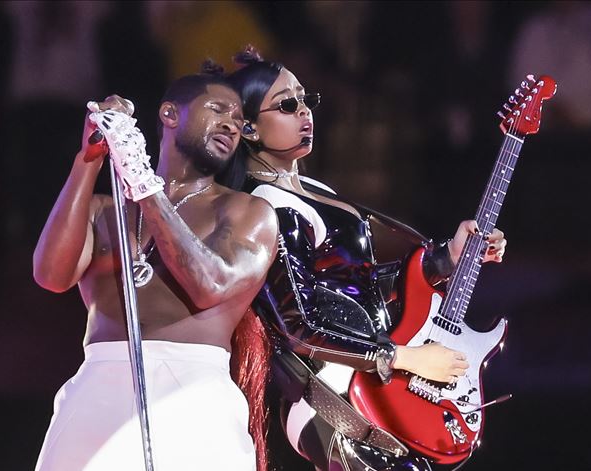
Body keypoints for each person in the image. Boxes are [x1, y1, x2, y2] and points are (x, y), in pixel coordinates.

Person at [217, 48, 508, 470]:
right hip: (329, 391)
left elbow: (360, 287)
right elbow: (300, 325)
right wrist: (402, 357)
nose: (304, 113)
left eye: (306, 100)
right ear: (249, 128)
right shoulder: (269, 206)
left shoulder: (312, 189)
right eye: (287, 105)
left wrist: (447, 258)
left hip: (363, 380)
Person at [31, 64, 278, 470]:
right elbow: (51, 276)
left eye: (239, 120)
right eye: (219, 110)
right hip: (97, 388)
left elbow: (210, 284)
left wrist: (144, 182)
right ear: (169, 115)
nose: (231, 126)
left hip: (193, 392)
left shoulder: (245, 211)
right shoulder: (103, 209)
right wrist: (90, 157)